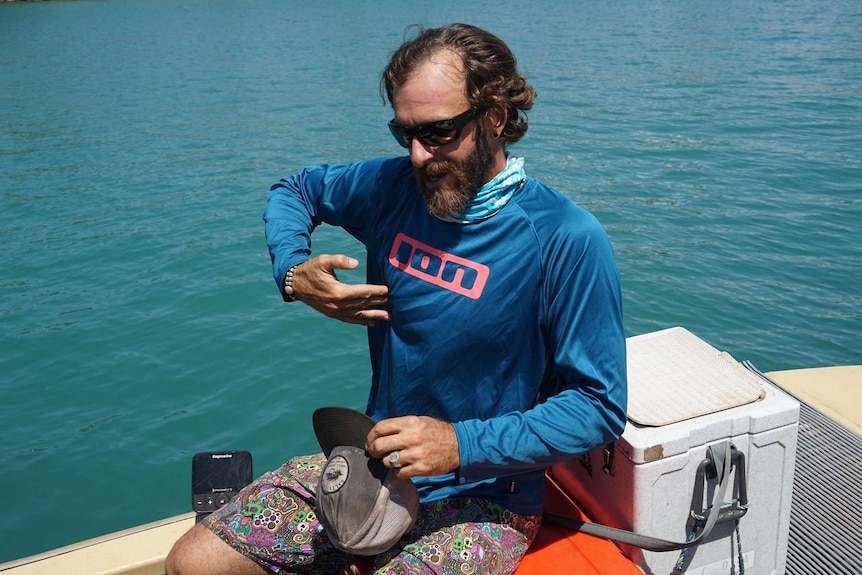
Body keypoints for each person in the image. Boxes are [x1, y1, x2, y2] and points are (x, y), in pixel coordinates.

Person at [166, 22, 627, 575]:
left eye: (437, 132)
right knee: (193, 564)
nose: (416, 155)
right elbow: (296, 190)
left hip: (487, 498)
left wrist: (459, 444)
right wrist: (293, 271)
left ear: (495, 118)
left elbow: (598, 406)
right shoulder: (394, 188)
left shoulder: (565, 239)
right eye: (402, 133)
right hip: (372, 466)